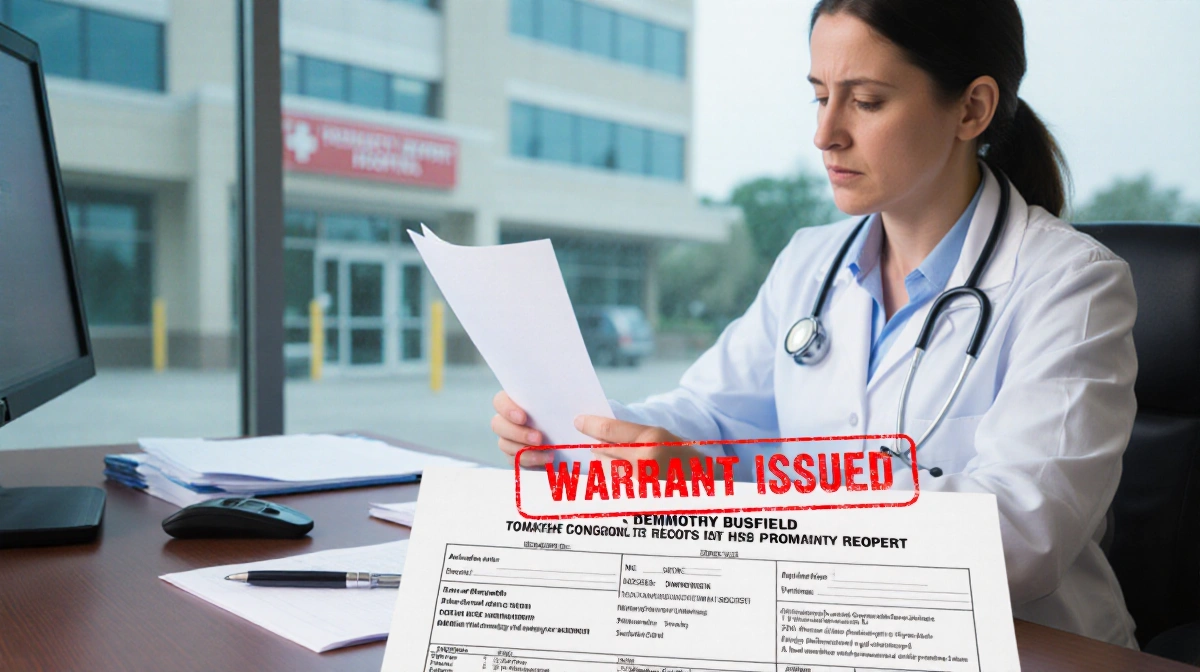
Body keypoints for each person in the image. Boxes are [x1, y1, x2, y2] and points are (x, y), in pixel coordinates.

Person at [491, 0, 1138, 648]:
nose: (826, 133)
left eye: (866, 101)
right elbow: (710, 415)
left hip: (1025, 647)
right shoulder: (810, 261)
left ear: (971, 109)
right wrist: (596, 434)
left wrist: (723, 491)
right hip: (824, 632)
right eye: (820, 96)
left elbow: (1022, 536)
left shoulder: (1071, 284)